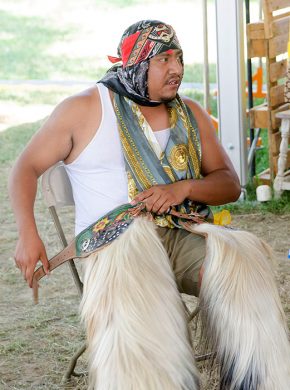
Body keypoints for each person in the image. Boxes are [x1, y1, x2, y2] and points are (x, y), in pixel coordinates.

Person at [9, 20, 289, 390]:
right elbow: (24, 168)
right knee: (148, 308)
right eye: (164, 59)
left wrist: (181, 188)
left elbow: (229, 185)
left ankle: (259, 381)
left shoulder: (190, 113)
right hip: (116, 245)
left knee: (245, 262)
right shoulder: (85, 108)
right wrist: (27, 236)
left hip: (181, 231)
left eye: (179, 58)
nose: (176, 69)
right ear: (138, 63)